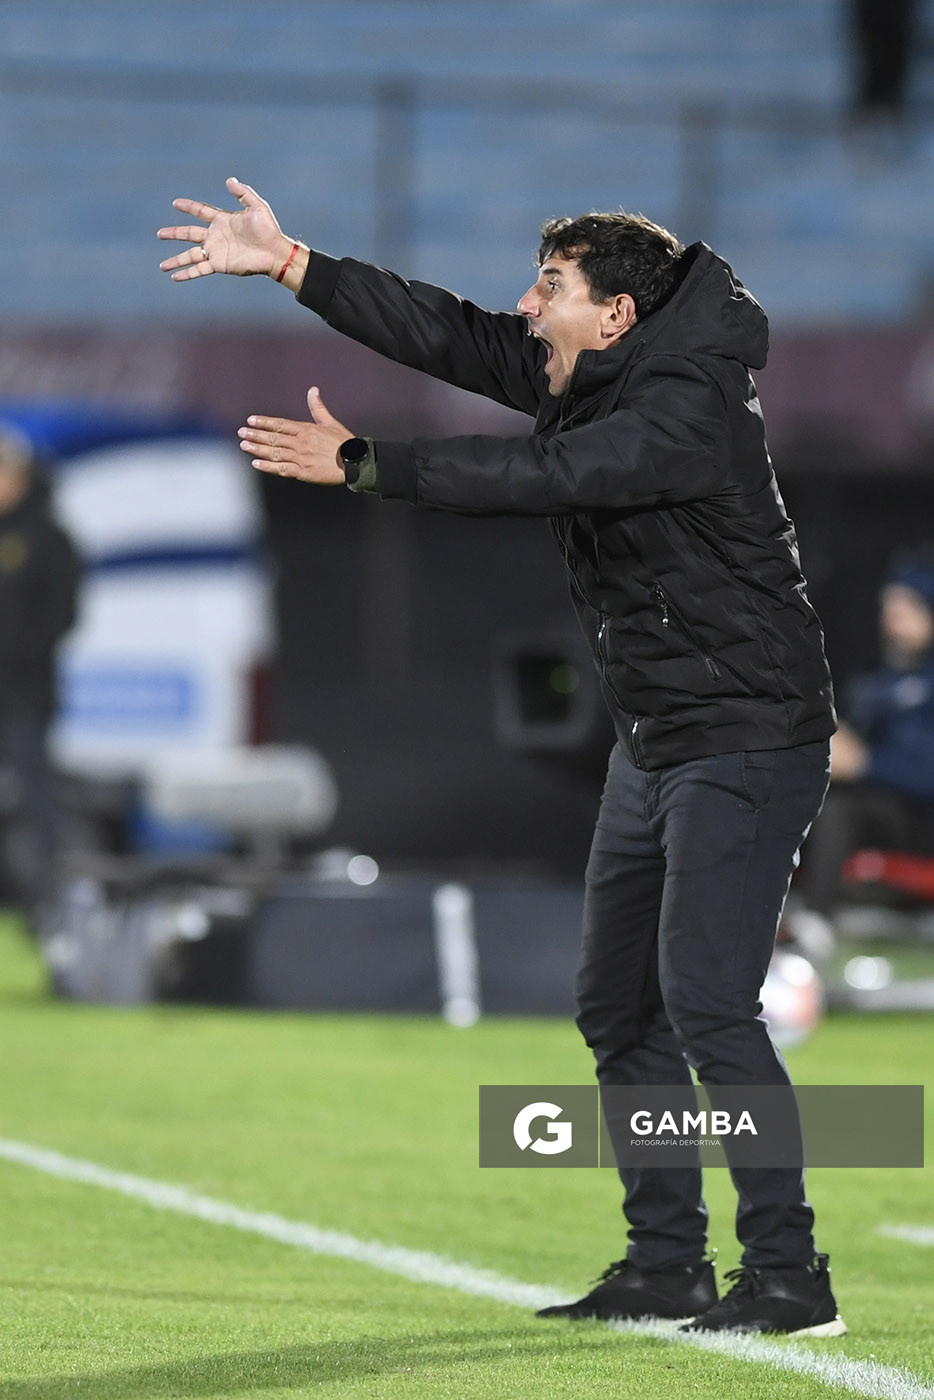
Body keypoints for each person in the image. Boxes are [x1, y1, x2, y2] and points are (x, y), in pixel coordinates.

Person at [159, 179, 843, 1336]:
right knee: (618, 1008)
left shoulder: (682, 406)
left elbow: (546, 479)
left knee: (710, 1005)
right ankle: (665, 1261)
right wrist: (293, 266)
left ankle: (789, 1274)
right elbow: (450, 332)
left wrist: (370, 464)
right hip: (656, 735)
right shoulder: (598, 370)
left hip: (745, 729)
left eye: (551, 289)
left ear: (616, 313)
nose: (527, 308)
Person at [794, 552, 934, 937]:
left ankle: (814, 928)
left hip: (921, 822)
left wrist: (866, 764)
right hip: (881, 810)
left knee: (839, 810)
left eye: (906, 608)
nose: (892, 618)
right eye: (889, 607)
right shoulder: (875, 679)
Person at [0, 425, 80, 914]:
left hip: (24, 695)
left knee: (35, 806)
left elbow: (61, 615)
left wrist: (12, 653)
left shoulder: (47, 538)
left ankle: (49, 910)